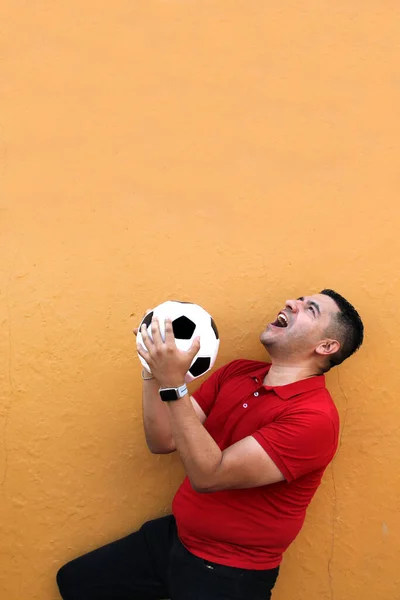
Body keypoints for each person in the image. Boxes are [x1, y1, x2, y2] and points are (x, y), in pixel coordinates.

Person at [56, 289, 364, 600]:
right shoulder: (238, 372)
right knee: (77, 582)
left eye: (310, 309)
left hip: (230, 572)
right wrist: (152, 371)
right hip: (178, 538)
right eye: (298, 299)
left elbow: (209, 476)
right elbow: (163, 440)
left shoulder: (314, 418)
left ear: (326, 346)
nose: (291, 303)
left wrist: (174, 384)